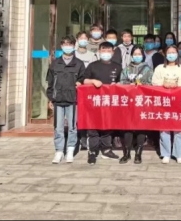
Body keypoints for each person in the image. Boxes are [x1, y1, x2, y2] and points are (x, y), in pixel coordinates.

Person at [46, 35, 87, 164]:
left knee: (72, 127)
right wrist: (50, 99)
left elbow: (83, 79)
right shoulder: (55, 63)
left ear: (74, 46)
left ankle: (70, 150)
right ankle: (59, 151)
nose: (67, 46)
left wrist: (80, 82)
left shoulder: (79, 64)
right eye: (65, 44)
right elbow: (50, 83)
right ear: (61, 46)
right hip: (58, 99)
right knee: (58, 127)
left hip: (73, 100)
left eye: (70, 44)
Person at [152, 45, 181, 164]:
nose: (171, 55)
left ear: (177, 54)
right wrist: (164, 83)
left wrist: (177, 84)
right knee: (164, 128)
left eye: (173, 52)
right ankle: (166, 153)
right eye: (169, 52)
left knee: (178, 128)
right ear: (165, 54)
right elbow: (154, 82)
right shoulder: (160, 68)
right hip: (163, 102)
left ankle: (178, 153)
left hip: (179, 102)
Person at [83, 41, 123, 165]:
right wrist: (93, 81)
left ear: (113, 52)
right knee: (93, 127)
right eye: (103, 50)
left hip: (109, 102)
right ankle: (92, 151)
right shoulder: (92, 66)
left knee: (108, 125)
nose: (106, 53)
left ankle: (106, 149)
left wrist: (117, 85)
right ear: (99, 51)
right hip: (94, 102)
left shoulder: (117, 66)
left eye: (108, 51)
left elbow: (121, 82)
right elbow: (84, 80)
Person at [119, 46, 153, 164]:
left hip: (142, 102)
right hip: (128, 103)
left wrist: (142, 85)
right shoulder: (126, 69)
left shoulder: (148, 70)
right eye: (135, 54)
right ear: (132, 56)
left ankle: (138, 153)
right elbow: (121, 83)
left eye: (139, 54)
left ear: (143, 56)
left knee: (141, 127)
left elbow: (152, 84)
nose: (137, 56)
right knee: (127, 127)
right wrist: (129, 85)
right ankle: (127, 153)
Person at [74, 31, 98, 151]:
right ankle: (80, 139)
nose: (83, 40)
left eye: (85, 38)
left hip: (88, 89)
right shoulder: (72, 54)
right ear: (77, 40)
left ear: (88, 40)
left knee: (88, 115)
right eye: (81, 38)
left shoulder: (92, 55)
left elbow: (94, 71)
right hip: (74, 88)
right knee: (78, 115)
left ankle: (88, 139)